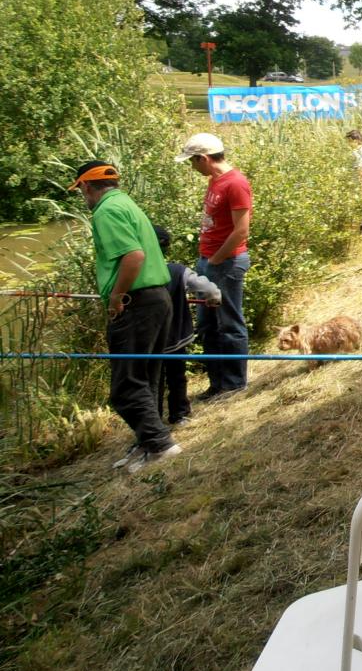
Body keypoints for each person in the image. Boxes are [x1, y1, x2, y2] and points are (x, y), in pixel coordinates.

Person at [68, 161, 181, 473]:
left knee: (125, 387)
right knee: (147, 379)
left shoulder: (105, 211)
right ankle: (148, 444)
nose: (83, 196)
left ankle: (160, 445)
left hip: (137, 303)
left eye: (81, 190)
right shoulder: (126, 202)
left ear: (87, 186)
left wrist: (117, 297)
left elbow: (134, 257)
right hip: (158, 298)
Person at [175, 132, 253, 400]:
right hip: (209, 261)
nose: (191, 166)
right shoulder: (215, 180)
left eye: (192, 161)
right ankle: (217, 383)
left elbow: (241, 230)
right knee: (207, 325)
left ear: (204, 158)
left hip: (226, 263)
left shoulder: (235, 183)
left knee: (229, 322)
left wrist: (217, 259)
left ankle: (234, 384)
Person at [151, 225, 222, 426]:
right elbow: (209, 289)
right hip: (177, 337)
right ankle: (179, 414)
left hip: (152, 341)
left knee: (153, 382)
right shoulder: (178, 270)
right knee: (177, 377)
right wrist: (214, 299)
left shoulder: (136, 275)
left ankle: (154, 420)